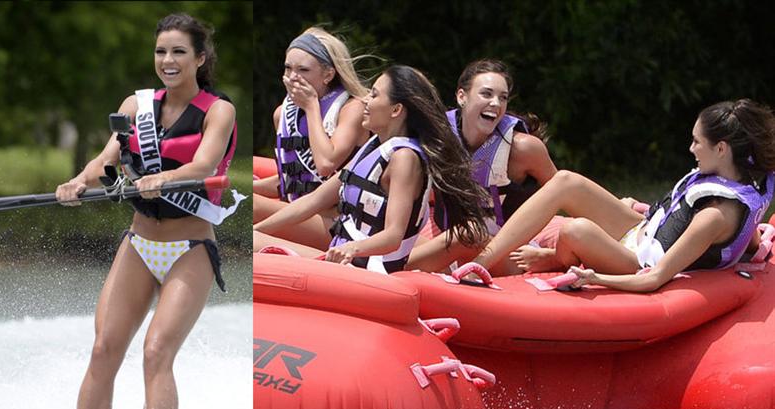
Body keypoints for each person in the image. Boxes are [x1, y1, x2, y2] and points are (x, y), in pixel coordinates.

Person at [55, 13, 236, 409]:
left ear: (200, 58)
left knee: (156, 352)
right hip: (139, 242)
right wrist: (79, 181)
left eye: (179, 52)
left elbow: (205, 163)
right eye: (161, 52)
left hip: (190, 247)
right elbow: (107, 158)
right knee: (103, 348)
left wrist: (164, 178)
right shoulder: (135, 105)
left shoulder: (218, 110)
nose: (168, 61)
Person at [472, 99, 775, 291]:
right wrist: (757, 248)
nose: (691, 149)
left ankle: (552, 258)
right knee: (566, 181)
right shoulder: (737, 178)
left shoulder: (715, 215)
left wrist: (594, 278)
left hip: (636, 262)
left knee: (574, 230)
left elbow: (654, 277)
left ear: (721, 149)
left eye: (697, 142)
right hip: (643, 231)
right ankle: (482, 261)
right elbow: (746, 236)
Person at [254, 65, 489, 273]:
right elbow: (315, 200)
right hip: (342, 260)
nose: (365, 100)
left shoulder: (405, 158)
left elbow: (393, 236)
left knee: (252, 244)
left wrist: (352, 249)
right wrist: (260, 229)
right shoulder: (374, 145)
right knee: (252, 238)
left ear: (396, 110)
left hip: (369, 271)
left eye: (374, 95)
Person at [405, 59, 558, 272]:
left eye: (502, 97)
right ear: (461, 97)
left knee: (465, 236)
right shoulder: (436, 141)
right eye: (486, 94)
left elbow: (560, 194)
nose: (496, 103)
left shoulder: (523, 149)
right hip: (448, 238)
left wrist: (551, 254)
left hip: (504, 252)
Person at [252, 27, 370, 250]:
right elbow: (288, 181)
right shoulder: (282, 114)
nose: (292, 77)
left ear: (328, 74)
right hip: (296, 213)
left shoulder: (351, 109)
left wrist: (311, 108)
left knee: (253, 207)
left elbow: (325, 165)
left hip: (339, 223)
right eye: (288, 68)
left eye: (303, 70)